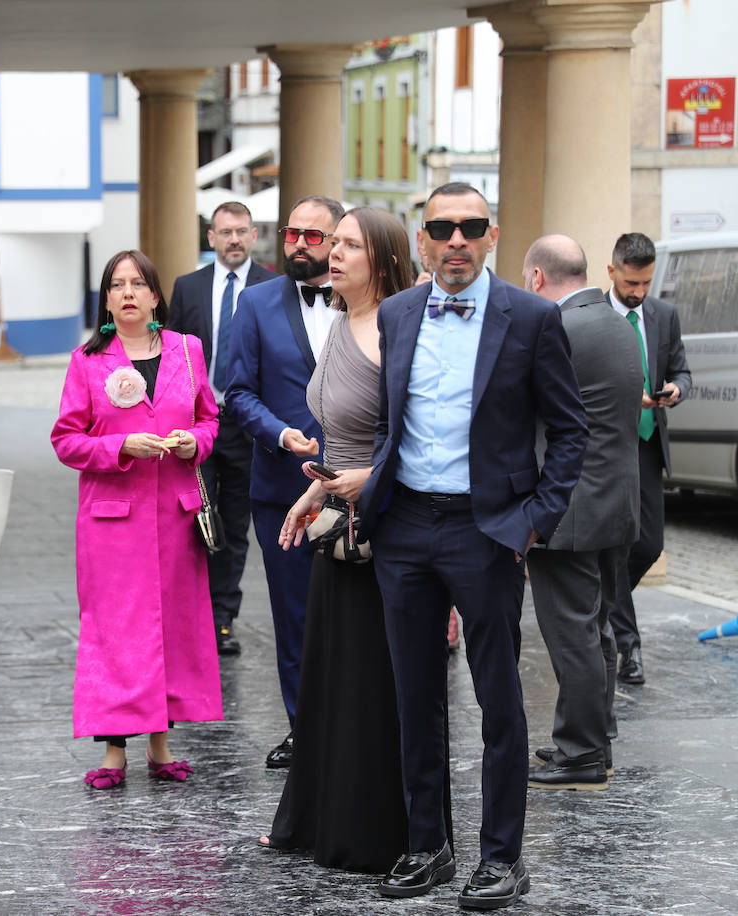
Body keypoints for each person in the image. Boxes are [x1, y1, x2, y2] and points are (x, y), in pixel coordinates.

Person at [357, 182, 587, 910]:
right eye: (441, 228)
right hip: (405, 528)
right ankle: (427, 845)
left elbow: (573, 431)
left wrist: (533, 522)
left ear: (492, 235)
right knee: (414, 693)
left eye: (471, 227)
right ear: (422, 241)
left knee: (498, 699)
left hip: (487, 531)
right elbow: (392, 421)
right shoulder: (395, 314)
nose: (456, 240)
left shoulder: (532, 316)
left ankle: (501, 858)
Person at [258, 207, 439, 871]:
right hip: (338, 529)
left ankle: (372, 832)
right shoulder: (338, 322)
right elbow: (336, 432)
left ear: (385, 258)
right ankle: (312, 820)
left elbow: (417, 433)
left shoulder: (400, 331)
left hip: (388, 530)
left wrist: (370, 477)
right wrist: (316, 489)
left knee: (371, 685)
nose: (333, 254)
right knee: (329, 683)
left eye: (349, 245)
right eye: (332, 243)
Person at [52, 249, 222, 789]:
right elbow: (67, 440)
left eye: (138, 284)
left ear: (154, 295)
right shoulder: (89, 360)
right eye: (117, 285)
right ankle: (112, 752)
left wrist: (190, 441)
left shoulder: (187, 351)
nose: (128, 293)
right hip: (112, 521)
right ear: (106, 300)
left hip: (175, 517)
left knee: (171, 627)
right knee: (115, 632)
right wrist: (122, 445)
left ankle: (161, 745)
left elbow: (209, 419)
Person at [521, 235, 642, 791]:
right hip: (614, 500)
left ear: (539, 278)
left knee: (572, 633)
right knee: (597, 630)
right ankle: (592, 738)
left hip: (567, 505)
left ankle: (584, 754)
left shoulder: (558, 328)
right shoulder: (618, 322)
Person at [227, 195, 343, 769]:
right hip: (280, 485)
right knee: (294, 613)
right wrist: (279, 434)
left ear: (338, 241)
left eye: (313, 236)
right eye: (292, 233)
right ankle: (305, 730)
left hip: (357, 483)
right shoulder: (255, 303)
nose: (298, 243)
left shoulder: (370, 301)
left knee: (356, 610)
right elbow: (238, 392)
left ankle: (355, 723)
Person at [167, 201, 280, 657]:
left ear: (254, 237)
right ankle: (189, 612)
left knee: (234, 524)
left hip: (247, 425)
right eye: (224, 232)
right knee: (193, 518)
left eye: (241, 231)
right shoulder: (188, 287)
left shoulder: (274, 287)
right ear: (210, 238)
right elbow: (171, 353)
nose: (233, 239)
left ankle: (221, 618)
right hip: (196, 425)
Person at [604, 232, 691, 687]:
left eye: (645, 284)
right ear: (612, 270)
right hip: (608, 448)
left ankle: (604, 604)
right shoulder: (595, 315)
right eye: (631, 283)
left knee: (648, 545)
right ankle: (628, 645)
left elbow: (682, 368)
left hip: (648, 445)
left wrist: (676, 389)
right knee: (616, 546)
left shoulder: (663, 316)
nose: (638, 293)